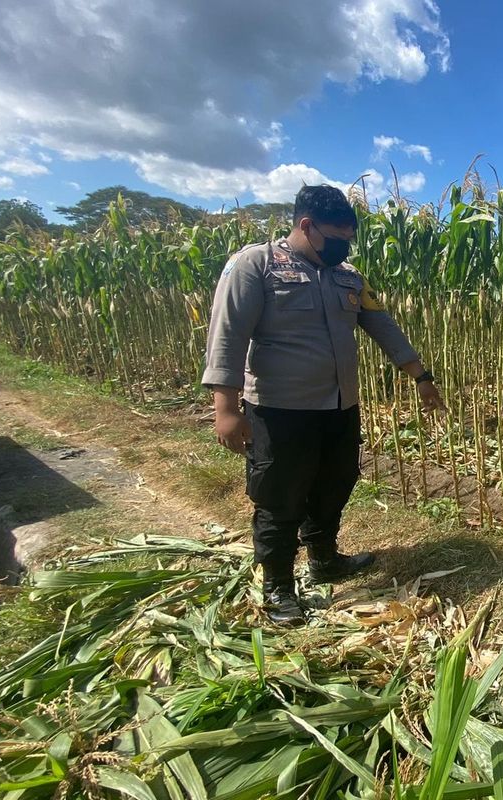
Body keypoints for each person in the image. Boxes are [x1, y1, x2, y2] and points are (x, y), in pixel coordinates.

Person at [202, 184, 443, 626]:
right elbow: (227, 335)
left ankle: (324, 559)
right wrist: (226, 408)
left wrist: (420, 376)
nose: (343, 247)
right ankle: (278, 586)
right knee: (280, 497)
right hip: (280, 409)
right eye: (337, 237)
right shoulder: (256, 265)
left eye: (349, 239)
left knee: (336, 482)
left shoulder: (348, 276)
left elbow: (382, 325)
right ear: (307, 225)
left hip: (339, 406)